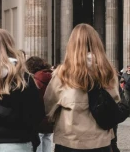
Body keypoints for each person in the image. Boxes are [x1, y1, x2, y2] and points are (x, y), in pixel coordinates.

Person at [45, 24, 121, 152]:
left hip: (70, 140)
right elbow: (115, 103)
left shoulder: (62, 73)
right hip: (100, 141)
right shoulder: (107, 72)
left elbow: (48, 106)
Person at [26, 56, 54, 152]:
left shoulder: (35, 80)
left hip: (39, 114)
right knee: (48, 138)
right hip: (51, 114)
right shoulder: (53, 76)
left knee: (39, 140)